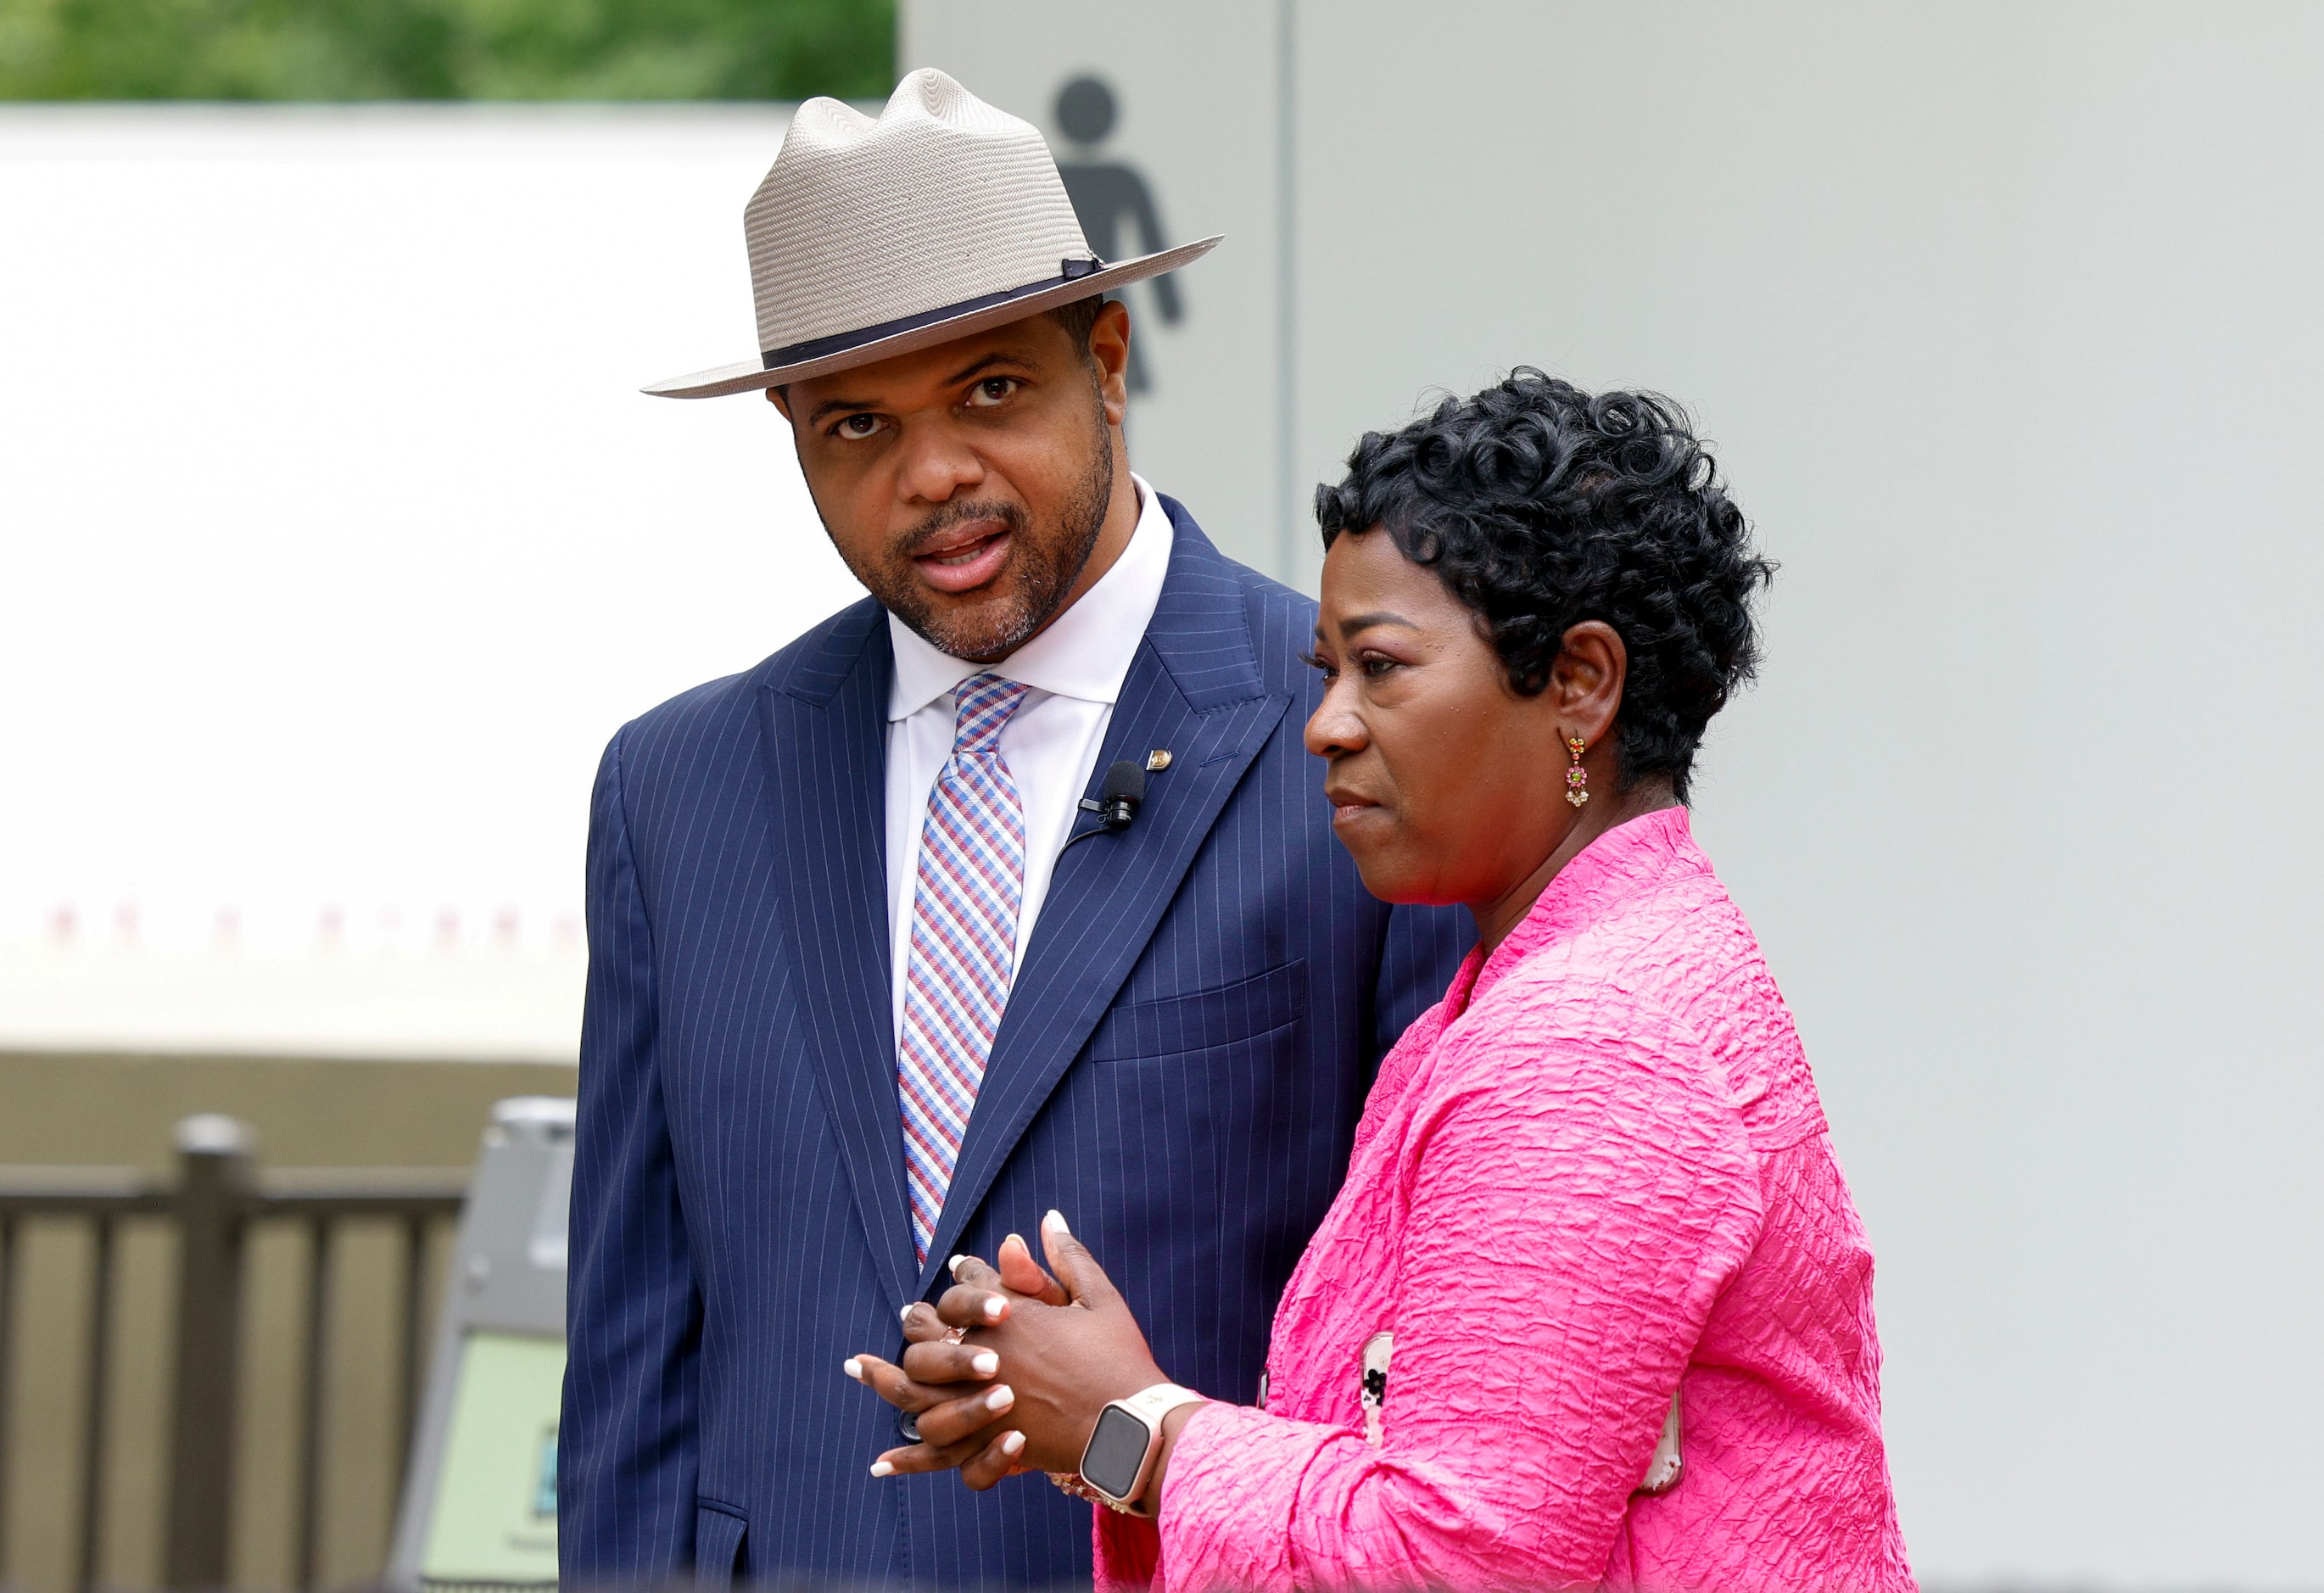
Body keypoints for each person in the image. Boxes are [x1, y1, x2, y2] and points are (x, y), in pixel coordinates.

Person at [557, 69, 1474, 1585]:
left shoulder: (1350, 737)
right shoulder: (674, 789)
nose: (931, 476)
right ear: (790, 430)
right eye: (856, 422)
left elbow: (1430, 1352)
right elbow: (631, 1367)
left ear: (1106, 358)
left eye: (989, 390)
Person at [856, 371, 1914, 1591]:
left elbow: (1454, 1555)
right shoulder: (1536, 991)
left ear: (1578, 683)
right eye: (1327, 671)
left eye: (1380, 666)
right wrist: (1077, 1400)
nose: (1327, 724)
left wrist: (1127, 1423)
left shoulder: (1588, 1047)